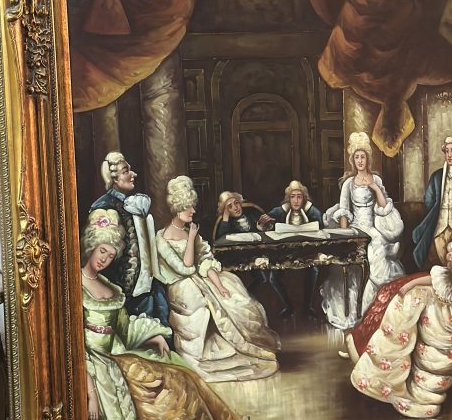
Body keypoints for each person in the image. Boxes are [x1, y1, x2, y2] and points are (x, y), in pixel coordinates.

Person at [81, 209, 249, 420]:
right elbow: (75, 343)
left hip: (118, 353)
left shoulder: (108, 286)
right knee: (162, 394)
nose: (104, 259)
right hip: (94, 363)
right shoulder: (75, 287)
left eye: (110, 255)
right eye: (102, 251)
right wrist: (90, 392)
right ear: (91, 246)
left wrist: (153, 336)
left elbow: (124, 328)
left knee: (181, 376)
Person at [348, 167, 452, 418]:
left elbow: (449, 280)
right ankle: (383, 363)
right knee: (411, 298)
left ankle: (387, 371)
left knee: (409, 299)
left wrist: (414, 284)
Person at [156, 176, 280, 382]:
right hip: (181, 284)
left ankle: (244, 343)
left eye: (192, 206)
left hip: (201, 277)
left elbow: (205, 260)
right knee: (203, 302)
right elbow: (186, 267)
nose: (193, 211)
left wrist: (219, 285)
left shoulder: (189, 230)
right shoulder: (164, 237)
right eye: (188, 207)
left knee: (234, 293)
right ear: (178, 209)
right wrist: (191, 239)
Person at [321, 132, 404, 330]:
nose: (360, 160)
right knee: (354, 260)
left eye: (363, 157)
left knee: (378, 251)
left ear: (368, 159)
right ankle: (359, 311)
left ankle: (377, 307)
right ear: (353, 160)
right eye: (357, 157)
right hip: (356, 228)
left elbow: (383, 206)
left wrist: (374, 187)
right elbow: (344, 211)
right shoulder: (348, 184)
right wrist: (344, 236)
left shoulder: (376, 179)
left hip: (373, 228)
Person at [90, 151, 169, 326]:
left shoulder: (134, 204)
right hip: (125, 288)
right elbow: (100, 252)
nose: (133, 175)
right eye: (126, 171)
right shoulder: (104, 207)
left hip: (149, 283)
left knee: (161, 324)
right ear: (114, 178)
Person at [258, 180, 324, 319]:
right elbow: (264, 224)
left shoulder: (311, 211)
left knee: (314, 270)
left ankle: (307, 307)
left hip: (306, 252)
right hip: (283, 253)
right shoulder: (280, 211)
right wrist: (264, 222)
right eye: (293, 197)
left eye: (299, 197)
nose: (296, 201)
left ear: (304, 198)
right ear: (288, 198)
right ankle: (288, 306)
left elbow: (321, 225)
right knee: (273, 277)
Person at [412, 136, 452, 269]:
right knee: (435, 252)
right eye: (447, 151)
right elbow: (428, 200)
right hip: (440, 224)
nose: (449, 155)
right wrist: (435, 211)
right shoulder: (437, 176)